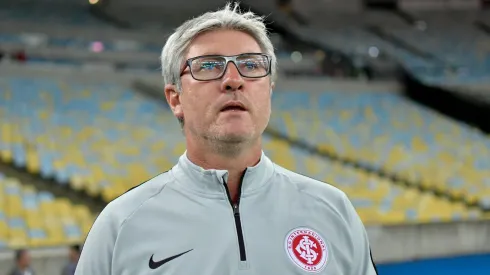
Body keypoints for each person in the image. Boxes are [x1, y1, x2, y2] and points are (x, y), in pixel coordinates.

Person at [75, 3, 379, 275]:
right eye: (208, 66)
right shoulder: (121, 225)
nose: (234, 80)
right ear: (175, 99)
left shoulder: (333, 210)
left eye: (251, 65)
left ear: (269, 89)